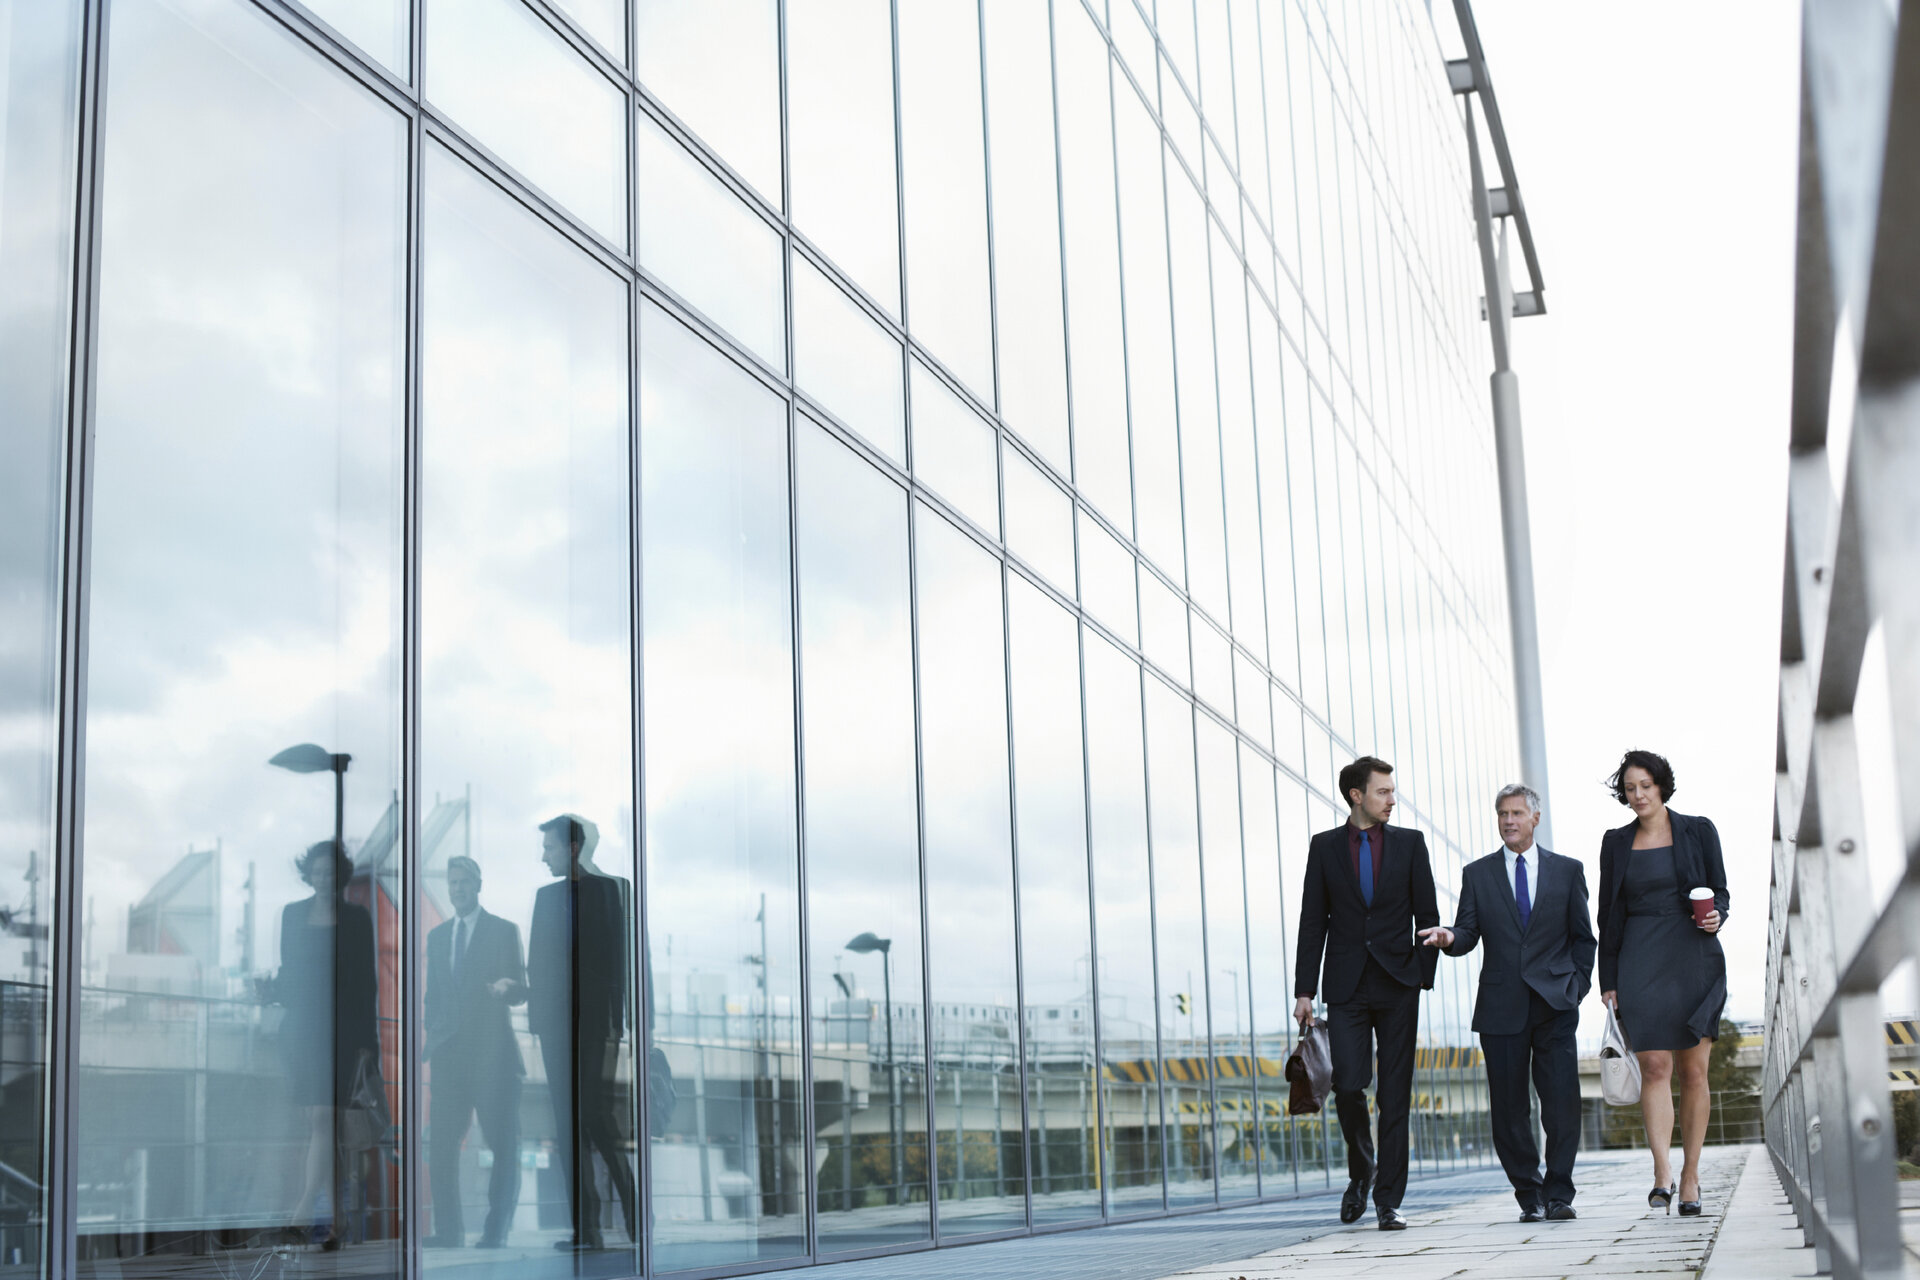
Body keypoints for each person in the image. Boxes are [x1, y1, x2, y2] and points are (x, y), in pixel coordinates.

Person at [1420, 784, 1594, 1222]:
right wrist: (1448, 938)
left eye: (1517, 813)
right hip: (1501, 1005)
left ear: (1535, 818)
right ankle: (1529, 1195)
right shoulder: (1477, 874)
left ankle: (1559, 1193)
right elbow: (1467, 932)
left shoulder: (1567, 871)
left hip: (1555, 1003)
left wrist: (1576, 987)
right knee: (1509, 1110)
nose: (1509, 821)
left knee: (1560, 1104)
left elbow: (1583, 938)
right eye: (1502, 813)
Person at [1293, 756, 1439, 1230]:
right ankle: (1362, 1171)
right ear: (1357, 795)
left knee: (1395, 1096)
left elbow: (1428, 916)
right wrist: (1304, 991)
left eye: (1392, 792)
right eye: (1383, 792)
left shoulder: (1411, 845)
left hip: (1399, 984)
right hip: (1347, 984)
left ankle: (1387, 1201)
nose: (1392, 800)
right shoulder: (1325, 848)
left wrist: (1422, 974)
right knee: (1349, 1084)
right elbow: (1313, 921)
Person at [1598, 749, 1727, 1217]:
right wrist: (1607, 976)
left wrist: (1717, 916)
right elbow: (1607, 914)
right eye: (1630, 788)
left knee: (1694, 1071)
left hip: (1693, 955)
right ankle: (1662, 1172)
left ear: (1661, 785)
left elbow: (1721, 892)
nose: (1638, 795)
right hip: (1638, 957)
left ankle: (1691, 1176)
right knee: (1654, 1066)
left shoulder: (1699, 829)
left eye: (1645, 786)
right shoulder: (1615, 842)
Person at [528, 814, 637, 1251]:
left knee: (595, 1116)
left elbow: (619, 958)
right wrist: (537, 1017)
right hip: (554, 1026)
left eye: (549, 848)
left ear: (572, 848)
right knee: (565, 1124)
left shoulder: (610, 889)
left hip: (594, 1023)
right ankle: (585, 1230)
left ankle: (635, 1217)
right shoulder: (545, 897)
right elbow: (538, 962)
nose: (543, 856)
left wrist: (621, 1018)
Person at [276, 840, 379, 1249]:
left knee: (323, 1118)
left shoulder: (357, 918)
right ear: (308, 874)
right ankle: (337, 1222)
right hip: (302, 1029)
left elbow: (367, 982)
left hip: (344, 1032)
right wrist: (272, 989)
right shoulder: (292, 913)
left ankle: (303, 1210)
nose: (322, 879)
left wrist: (369, 1041)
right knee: (322, 1128)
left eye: (329, 872)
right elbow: (289, 972)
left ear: (341, 876)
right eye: (316, 872)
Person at [423, 856, 527, 1248]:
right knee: (441, 1146)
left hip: (492, 1057)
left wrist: (508, 987)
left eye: (465, 882)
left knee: (502, 1145)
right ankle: (448, 1233)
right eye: (452, 883)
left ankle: (495, 1232)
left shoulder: (502, 930)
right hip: (449, 1059)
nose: (458, 889)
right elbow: (435, 995)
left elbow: (520, 987)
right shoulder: (437, 936)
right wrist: (432, 1032)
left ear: (478, 885)